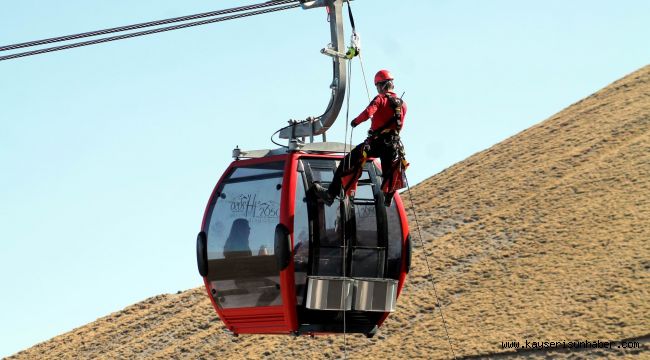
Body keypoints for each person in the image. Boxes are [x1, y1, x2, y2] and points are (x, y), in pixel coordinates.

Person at [313, 69, 408, 207]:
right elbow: (399, 125)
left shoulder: (380, 99)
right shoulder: (402, 105)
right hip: (393, 145)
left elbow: (369, 112)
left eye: (377, 86)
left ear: (381, 85)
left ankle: (330, 194)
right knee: (389, 173)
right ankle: (388, 197)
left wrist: (355, 122)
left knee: (347, 162)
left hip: (377, 144)